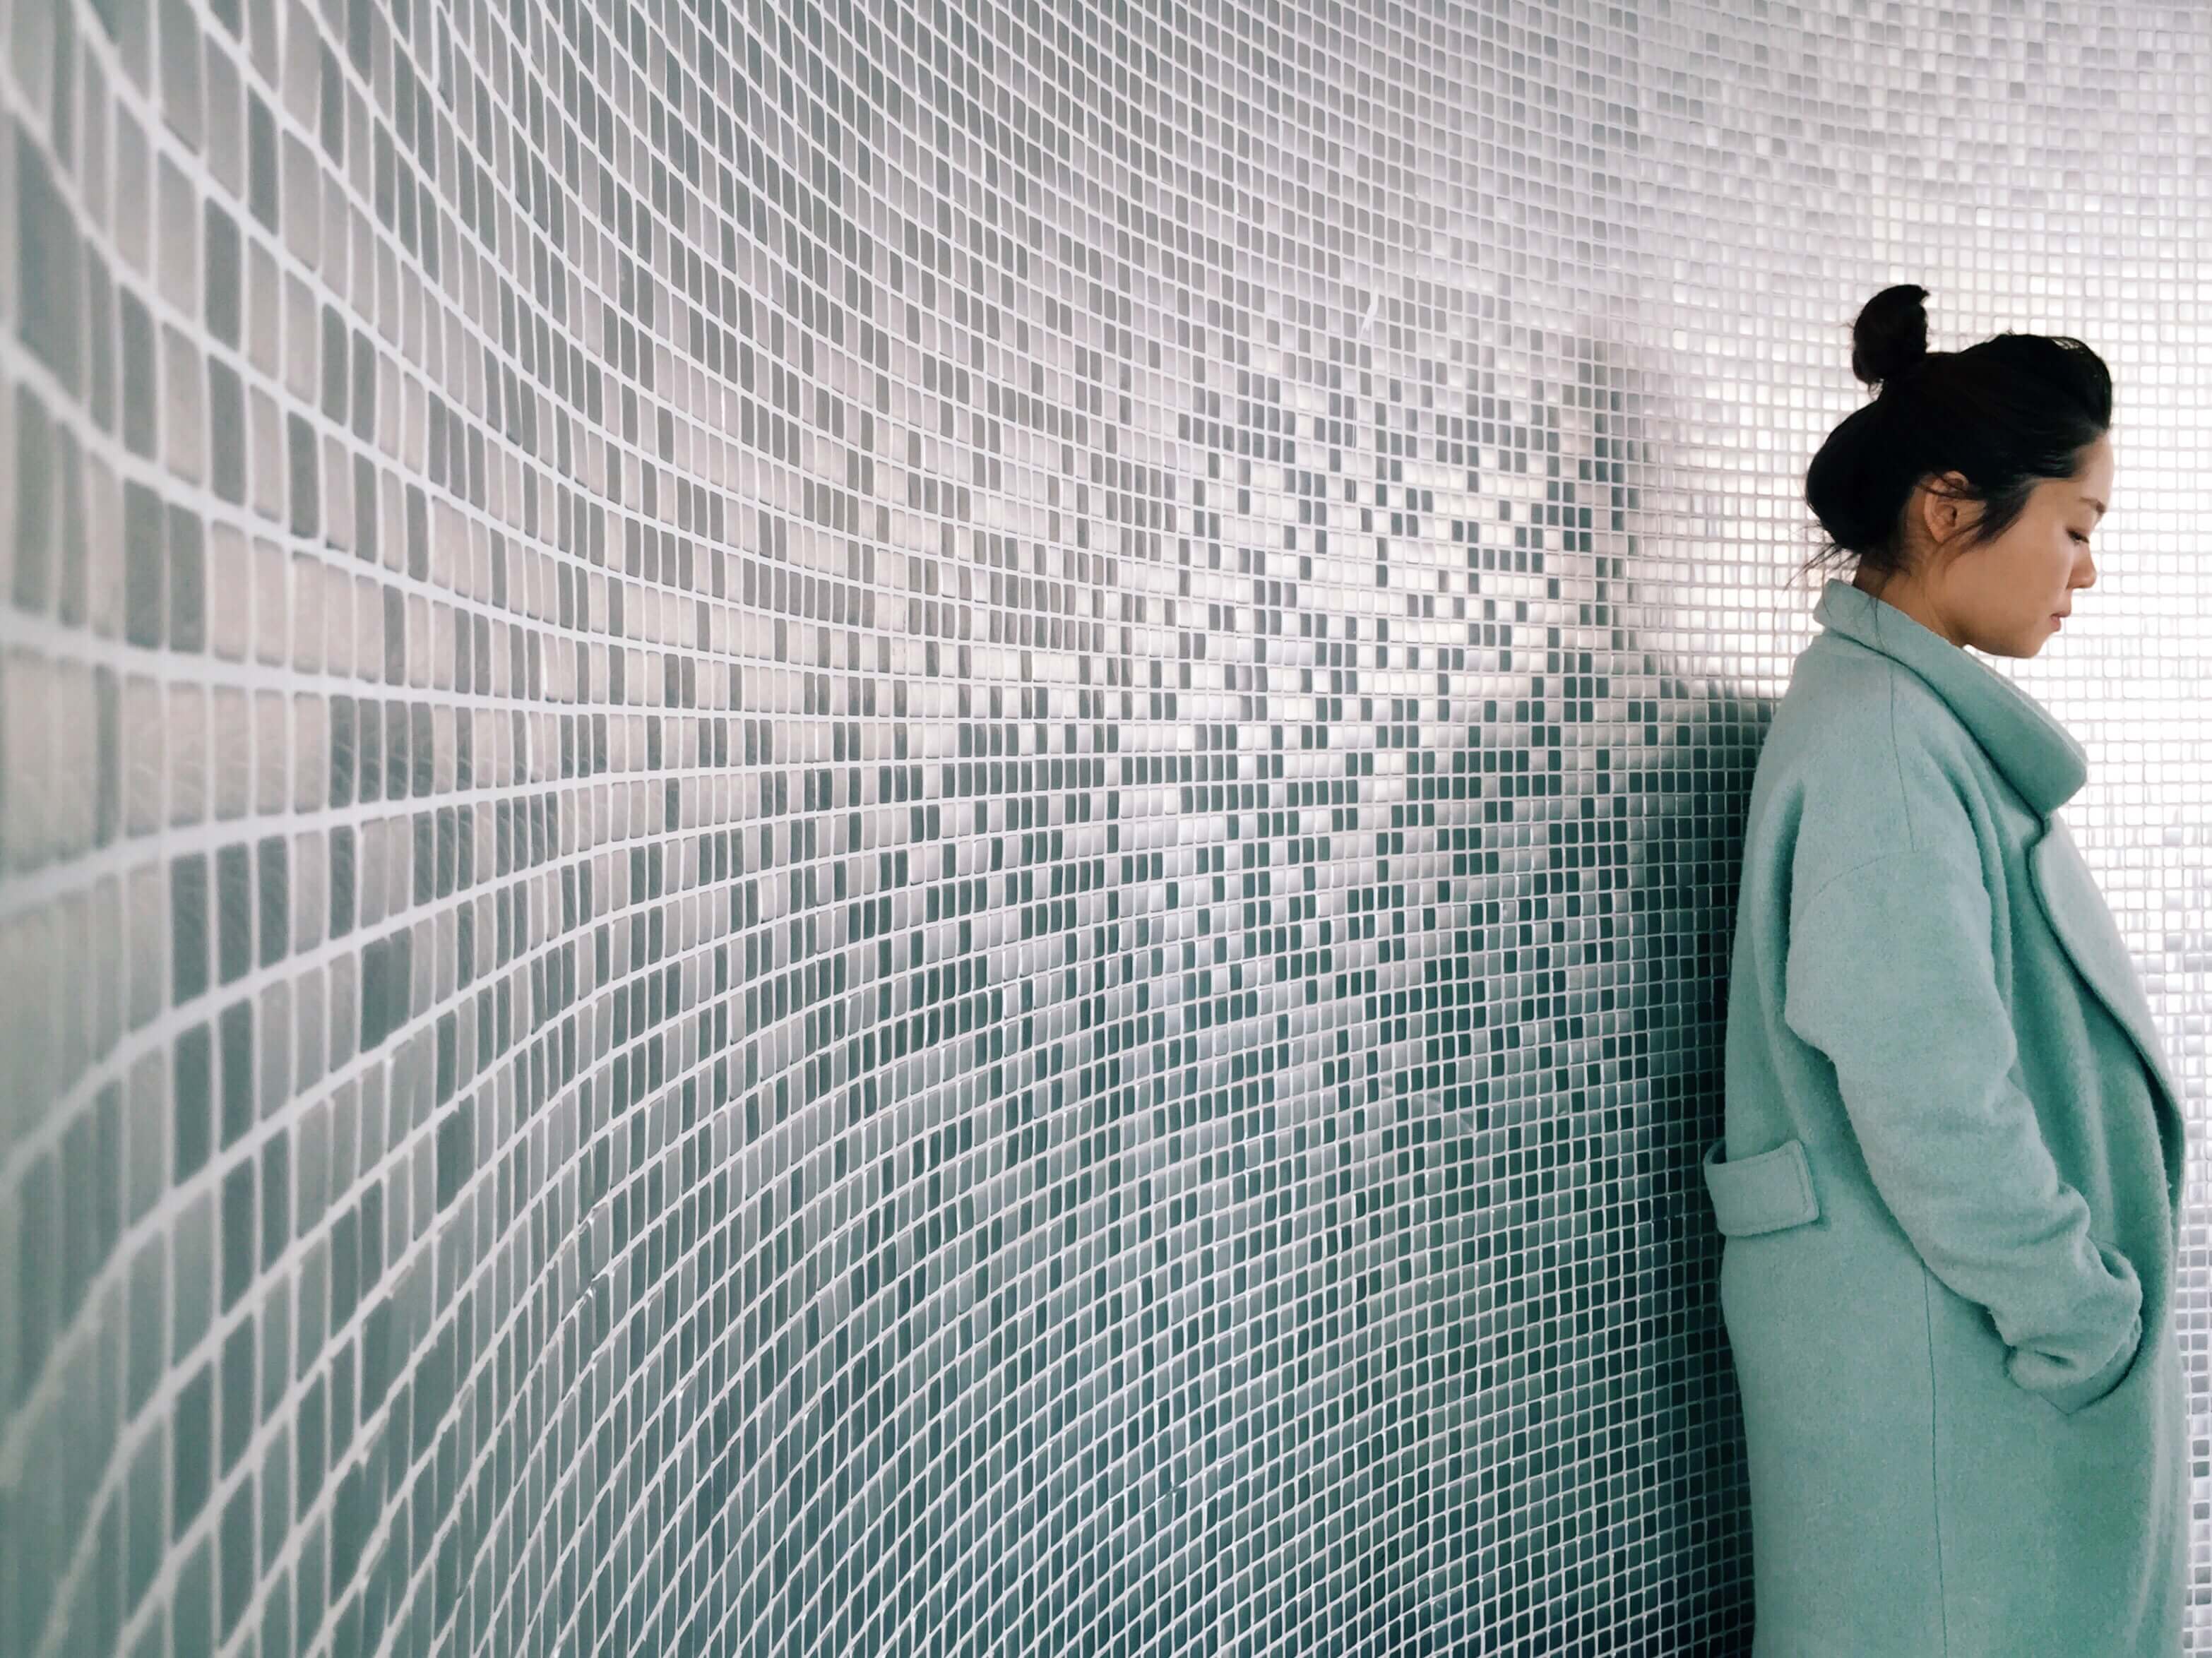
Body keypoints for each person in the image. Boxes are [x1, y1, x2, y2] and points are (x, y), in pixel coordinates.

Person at [1706, 282, 2189, 1655]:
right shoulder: (1885, 745)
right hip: (1952, 1354)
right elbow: (1928, 1083)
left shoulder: (1901, 721)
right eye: (2075, 527)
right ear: (1947, 504)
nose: (2085, 571)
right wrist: (2077, 1315)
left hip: (1942, 1343)